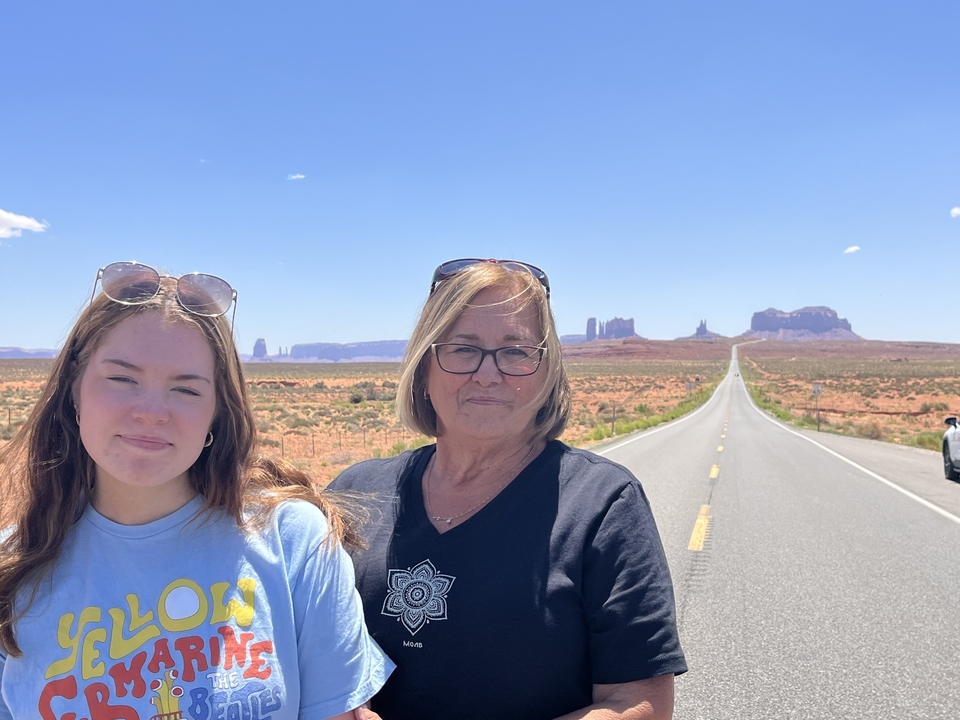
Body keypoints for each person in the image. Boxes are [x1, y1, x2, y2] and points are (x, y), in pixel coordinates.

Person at [0, 261, 393, 720]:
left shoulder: (293, 542)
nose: (151, 411)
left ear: (216, 412)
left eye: (186, 390)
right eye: (122, 378)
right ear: (74, 389)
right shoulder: (15, 566)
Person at [330, 258, 687, 720]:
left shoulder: (601, 503)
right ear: (424, 365)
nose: (488, 374)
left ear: (546, 371)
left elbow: (638, 703)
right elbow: (308, 659)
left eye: (516, 351)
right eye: (463, 348)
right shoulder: (354, 493)